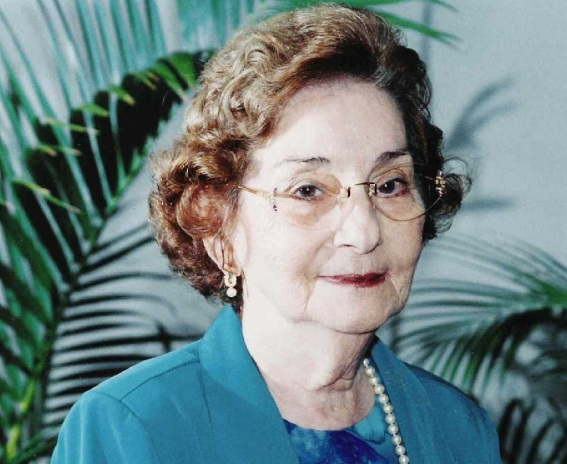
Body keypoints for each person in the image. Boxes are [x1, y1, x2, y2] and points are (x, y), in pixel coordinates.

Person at [51, 4, 500, 463]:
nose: (363, 232)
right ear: (218, 226)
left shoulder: (457, 429)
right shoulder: (134, 427)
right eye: (308, 190)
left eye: (389, 185)